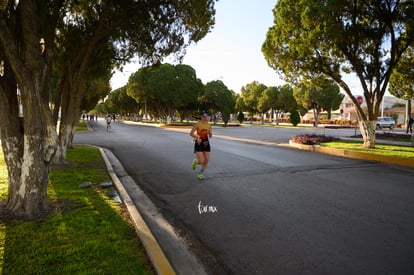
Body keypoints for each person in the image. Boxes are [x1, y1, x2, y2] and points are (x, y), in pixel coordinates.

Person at [190, 111, 213, 180]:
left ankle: (200, 173)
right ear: (201, 117)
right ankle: (195, 162)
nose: (205, 117)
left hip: (206, 142)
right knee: (200, 161)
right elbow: (191, 133)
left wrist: (211, 133)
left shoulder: (209, 125)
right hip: (199, 142)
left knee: (206, 160)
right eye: (203, 116)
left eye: (206, 116)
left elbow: (210, 136)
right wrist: (197, 137)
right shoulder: (197, 124)